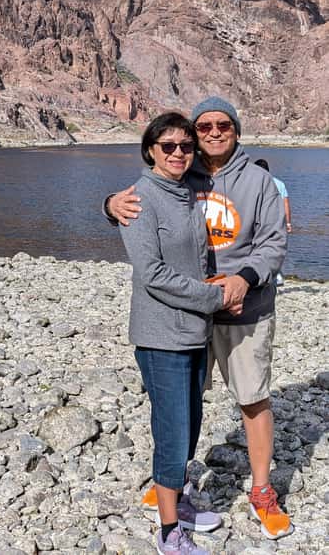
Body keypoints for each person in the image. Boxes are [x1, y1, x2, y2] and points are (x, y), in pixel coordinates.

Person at [105, 97, 291, 540]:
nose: (211, 132)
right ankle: (174, 485)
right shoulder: (182, 173)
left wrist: (245, 279)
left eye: (222, 124)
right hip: (189, 313)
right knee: (183, 406)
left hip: (246, 308)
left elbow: (274, 243)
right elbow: (142, 204)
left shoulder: (260, 182)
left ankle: (261, 491)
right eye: (202, 126)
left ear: (236, 130)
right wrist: (109, 203)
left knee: (252, 397)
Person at [120, 112, 229, 554]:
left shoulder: (186, 192)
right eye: (169, 146)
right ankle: (169, 532)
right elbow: (151, 273)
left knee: (190, 425)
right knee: (171, 431)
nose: (179, 153)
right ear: (150, 150)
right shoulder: (140, 199)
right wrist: (212, 298)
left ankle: (179, 504)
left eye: (186, 146)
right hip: (161, 335)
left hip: (193, 332)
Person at [254, 159, 290, 286]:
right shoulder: (279, 183)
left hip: (259, 222)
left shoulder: (253, 182)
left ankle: (264, 275)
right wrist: (288, 223)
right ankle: (277, 275)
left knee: (258, 248)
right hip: (277, 222)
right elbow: (285, 204)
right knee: (276, 248)